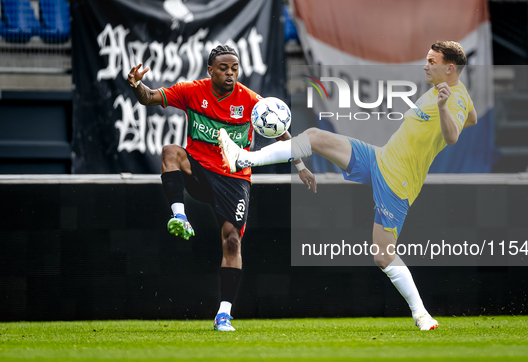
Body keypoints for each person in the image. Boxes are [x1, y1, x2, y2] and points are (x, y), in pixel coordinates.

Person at [218, 41, 478, 331]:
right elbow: (472, 118)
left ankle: (422, 315)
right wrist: (449, 107)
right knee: (315, 136)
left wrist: (444, 107)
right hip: (380, 157)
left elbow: (453, 136)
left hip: (398, 181)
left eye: (431, 61)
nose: (425, 65)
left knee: (382, 254)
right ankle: (243, 158)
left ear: (449, 68)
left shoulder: (451, 98)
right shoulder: (455, 94)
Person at [126, 45, 315, 332]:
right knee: (170, 152)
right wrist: (137, 84)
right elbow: (150, 98)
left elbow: (281, 133)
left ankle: (223, 314)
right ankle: (179, 215)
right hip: (200, 172)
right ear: (210, 70)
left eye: (235, 68)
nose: (230, 73)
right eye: (224, 68)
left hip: (234, 179)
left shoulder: (251, 101)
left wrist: (300, 166)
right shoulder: (192, 91)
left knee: (232, 242)